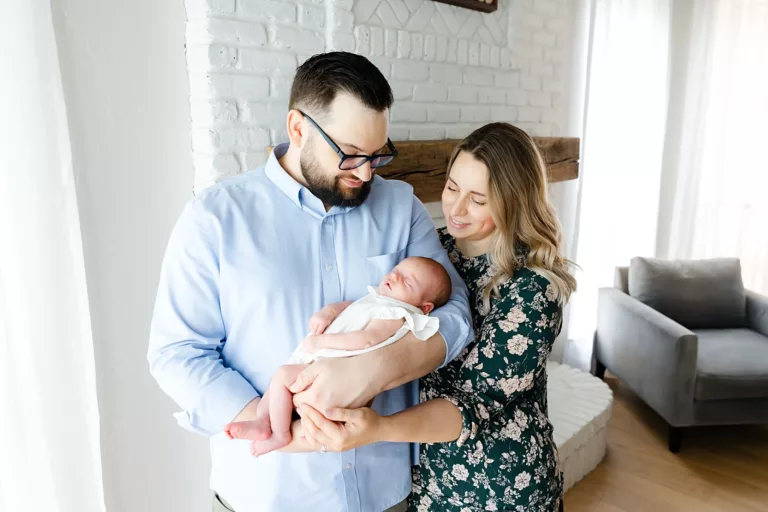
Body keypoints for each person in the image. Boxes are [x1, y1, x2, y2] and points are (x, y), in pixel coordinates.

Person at [147, 51, 473, 512]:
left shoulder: (402, 208)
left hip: (388, 494)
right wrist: (278, 427)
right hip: (269, 493)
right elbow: (176, 353)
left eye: (378, 155)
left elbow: (456, 314)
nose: (365, 172)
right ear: (298, 128)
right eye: (350, 154)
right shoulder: (215, 219)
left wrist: (373, 369)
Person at [295, 123, 576, 512]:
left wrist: (379, 429)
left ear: (514, 201)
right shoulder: (432, 254)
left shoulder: (531, 288)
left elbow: (475, 404)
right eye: (452, 187)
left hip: (504, 488)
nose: (456, 209)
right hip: (431, 480)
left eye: (478, 199)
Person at [224, 257, 452, 457]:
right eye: (397, 270)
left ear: (424, 307)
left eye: (407, 281)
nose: (395, 275)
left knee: (284, 378)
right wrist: (328, 313)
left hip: (332, 368)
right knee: (281, 382)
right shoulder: (378, 300)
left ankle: (280, 434)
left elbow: (368, 339)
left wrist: (321, 342)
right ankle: (264, 421)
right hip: (320, 364)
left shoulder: (395, 313)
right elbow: (349, 308)